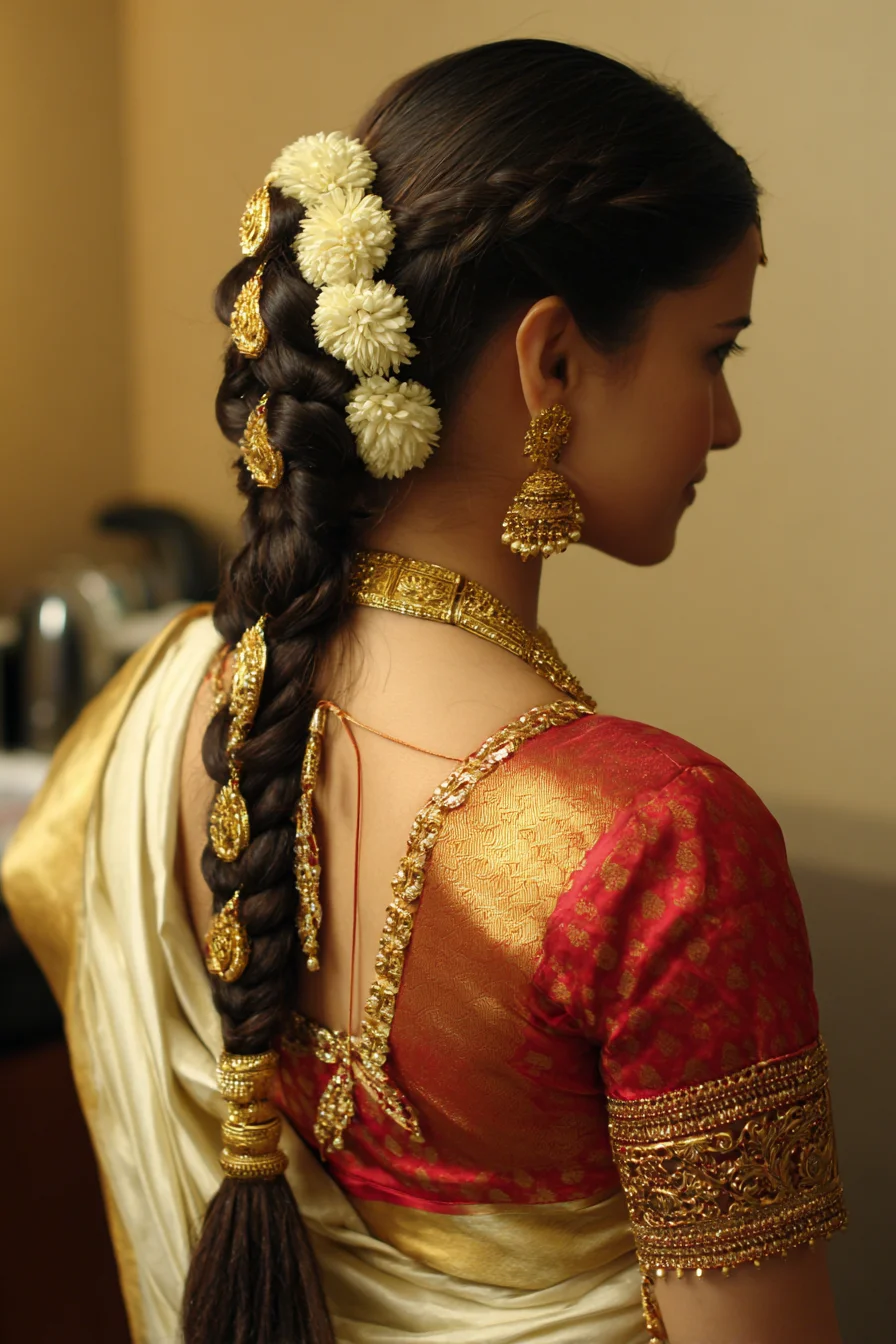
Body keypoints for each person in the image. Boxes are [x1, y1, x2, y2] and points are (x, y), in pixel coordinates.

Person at [3, 36, 847, 1344]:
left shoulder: (172, 707)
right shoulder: (660, 843)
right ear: (552, 364)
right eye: (714, 351)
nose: (725, 422)